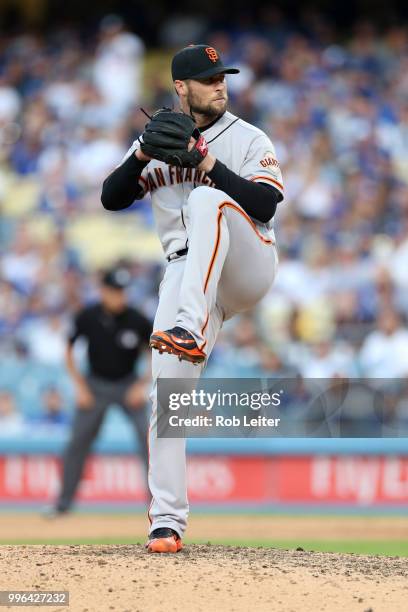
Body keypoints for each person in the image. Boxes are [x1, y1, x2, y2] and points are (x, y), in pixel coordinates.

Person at [101, 44, 284, 552]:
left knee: (208, 199)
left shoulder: (249, 137)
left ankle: (188, 323)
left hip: (247, 258)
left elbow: (266, 202)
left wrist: (208, 163)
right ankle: (167, 522)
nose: (219, 85)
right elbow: (111, 197)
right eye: (207, 79)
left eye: (222, 77)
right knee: (168, 395)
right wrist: (140, 153)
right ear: (181, 87)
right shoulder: (158, 137)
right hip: (185, 272)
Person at [48, 267, 152, 516]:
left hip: (128, 384)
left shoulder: (137, 319)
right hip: (94, 385)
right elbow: (69, 351)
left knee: (150, 440)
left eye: (123, 292)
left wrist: (141, 385)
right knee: (77, 442)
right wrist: (80, 386)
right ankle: (63, 503)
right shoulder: (87, 316)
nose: (120, 296)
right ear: (103, 291)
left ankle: (159, 506)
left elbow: (154, 354)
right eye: (115, 291)